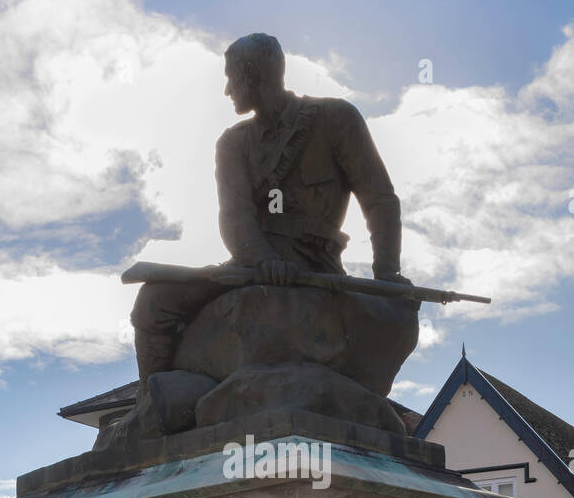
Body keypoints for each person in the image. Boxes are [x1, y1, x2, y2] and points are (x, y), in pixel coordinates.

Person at [131, 32, 406, 389]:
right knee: (153, 301)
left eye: (230, 78)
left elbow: (379, 199)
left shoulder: (334, 118)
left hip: (313, 262)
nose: (227, 90)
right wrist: (262, 259)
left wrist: (387, 272)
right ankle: (152, 409)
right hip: (254, 264)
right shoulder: (233, 143)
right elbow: (235, 215)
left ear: (248, 73)